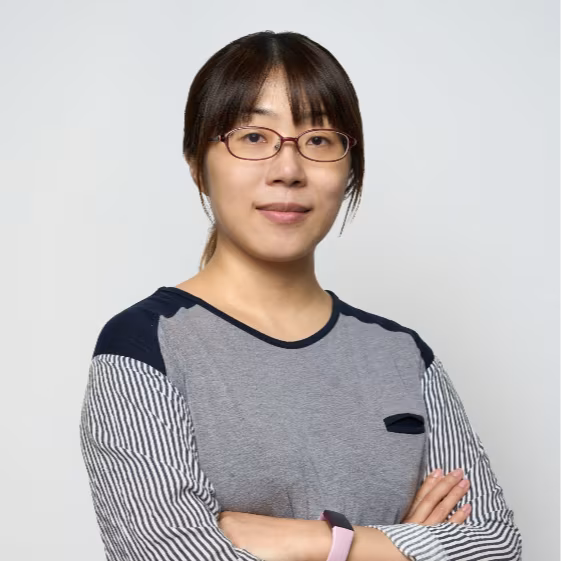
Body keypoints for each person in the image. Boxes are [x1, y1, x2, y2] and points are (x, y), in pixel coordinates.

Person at [79, 31, 522, 561]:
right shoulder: (146, 346)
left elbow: (496, 544)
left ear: (349, 166)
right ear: (197, 164)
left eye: (319, 140)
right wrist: (401, 547)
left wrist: (318, 542)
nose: (288, 170)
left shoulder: (403, 354)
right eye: (252, 137)